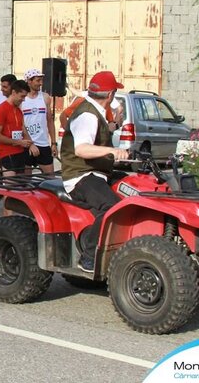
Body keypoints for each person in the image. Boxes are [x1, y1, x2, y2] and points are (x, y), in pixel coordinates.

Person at [60, 71, 130, 272]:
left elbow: (101, 130)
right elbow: (81, 148)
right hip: (80, 175)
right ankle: (88, 256)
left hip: (97, 172)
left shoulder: (95, 110)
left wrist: (115, 124)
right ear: (111, 94)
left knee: (133, 189)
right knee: (112, 207)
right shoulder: (88, 114)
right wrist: (113, 150)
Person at [0, 80, 33, 177]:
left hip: (19, 152)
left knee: (21, 184)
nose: (23, 100)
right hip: (7, 153)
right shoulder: (2, 109)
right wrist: (19, 142)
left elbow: (23, 129)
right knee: (11, 184)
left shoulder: (18, 110)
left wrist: (31, 144)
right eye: (22, 96)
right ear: (14, 92)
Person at [21, 69, 56, 173]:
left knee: (50, 177)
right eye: (38, 80)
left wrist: (53, 143)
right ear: (29, 81)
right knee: (26, 181)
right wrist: (30, 144)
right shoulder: (22, 99)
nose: (40, 83)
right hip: (26, 143)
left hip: (43, 143)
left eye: (41, 80)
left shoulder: (45, 97)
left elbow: (49, 121)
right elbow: (19, 123)